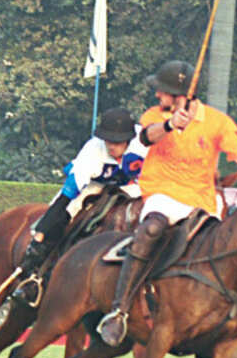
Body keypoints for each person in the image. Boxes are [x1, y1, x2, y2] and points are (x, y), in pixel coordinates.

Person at [96, 60, 237, 347]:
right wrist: (170, 124)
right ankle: (119, 310)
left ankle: (227, 323)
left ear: (179, 94)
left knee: (232, 249)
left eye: (162, 91)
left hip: (200, 201)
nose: (157, 95)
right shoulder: (155, 114)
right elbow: (145, 136)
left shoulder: (218, 122)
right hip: (162, 195)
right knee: (150, 231)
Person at [15, 106, 147, 296]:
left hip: (134, 185)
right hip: (96, 184)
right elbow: (67, 195)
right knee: (71, 208)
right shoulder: (93, 151)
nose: (111, 146)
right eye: (108, 140)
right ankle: (37, 272)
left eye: (117, 142)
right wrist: (41, 234)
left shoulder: (144, 141)